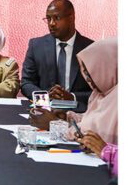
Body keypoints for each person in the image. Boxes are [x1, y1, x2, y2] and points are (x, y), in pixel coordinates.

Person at [29, 37, 118, 176]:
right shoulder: (100, 93)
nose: (88, 79)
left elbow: (92, 135)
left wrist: (55, 124)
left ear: (108, 66)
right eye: (85, 73)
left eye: (91, 72)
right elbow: (89, 118)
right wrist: (67, 117)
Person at [20, 0, 94, 106]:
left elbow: (99, 91)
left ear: (71, 18)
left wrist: (72, 97)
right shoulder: (36, 46)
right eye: (48, 18)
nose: (51, 23)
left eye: (57, 18)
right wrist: (44, 98)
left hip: (80, 112)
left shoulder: (91, 49)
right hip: (45, 110)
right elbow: (26, 83)